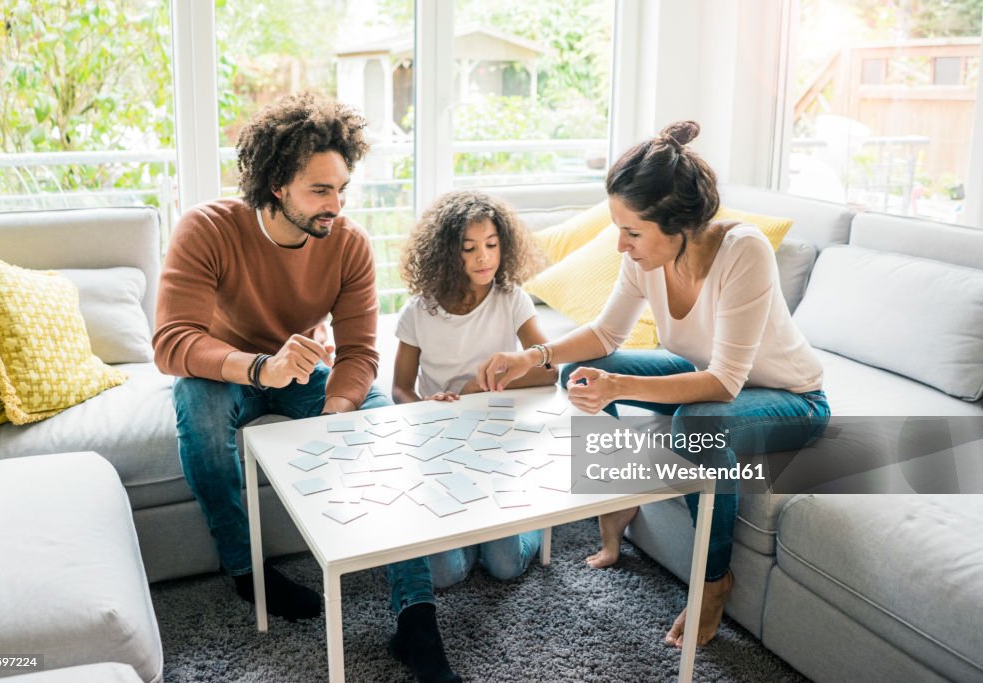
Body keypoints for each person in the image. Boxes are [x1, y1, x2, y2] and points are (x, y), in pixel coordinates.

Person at [476, 121, 830, 648]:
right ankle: (618, 498)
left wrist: (618, 387)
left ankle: (713, 582)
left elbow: (724, 384)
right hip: (703, 375)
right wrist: (534, 355)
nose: (620, 245)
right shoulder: (646, 259)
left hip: (792, 398)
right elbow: (605, 333)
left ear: (679, 224)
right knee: (582, 372)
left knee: (699, 423)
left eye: (632, 232)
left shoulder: (743, 252)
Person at [153, 92, 457, 682]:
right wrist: (261, 367)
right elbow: (172, 343)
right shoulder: (208, 229)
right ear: (275, 185)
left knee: (382, 423)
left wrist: (340, 407)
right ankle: (248, 573)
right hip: (227, 371)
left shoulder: (348, 245)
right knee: (200, 417)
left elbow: (361, 353)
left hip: (302, 373)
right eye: (321, 191)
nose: (336, 205)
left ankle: (416, 619)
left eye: (342, 189)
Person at [388, 191, 556, 637]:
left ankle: (534, 522)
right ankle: (477, 527)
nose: (485, 258)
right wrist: (425, 405)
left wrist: (476, 386)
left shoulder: (510, 298)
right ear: (448, 253)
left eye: (492, 244)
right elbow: (399, 389)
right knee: (445, 575)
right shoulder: (420, 311)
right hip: (439, 451)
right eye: (470, 248)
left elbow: (550, 371)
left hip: (495, 447)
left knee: (504, 567)